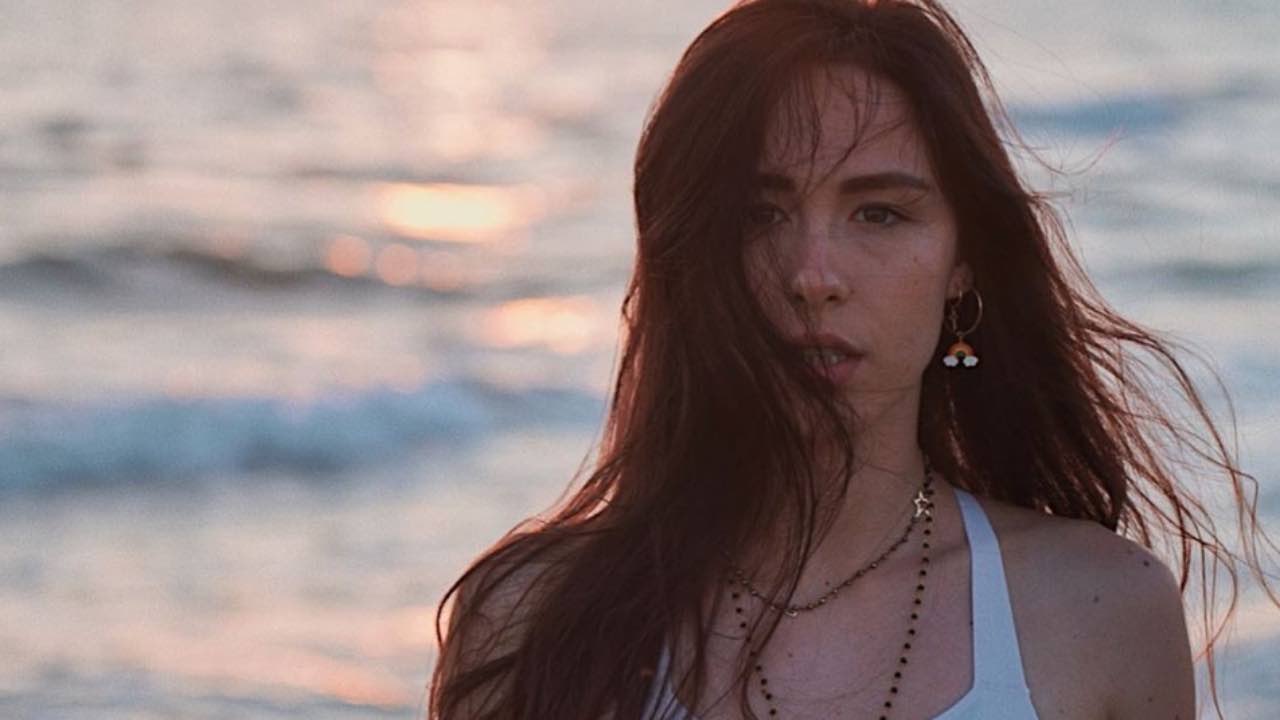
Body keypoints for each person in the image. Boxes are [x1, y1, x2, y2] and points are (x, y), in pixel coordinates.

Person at [427, 1, 1277, 718]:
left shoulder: (1100, 614)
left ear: (963, 261)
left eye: (879, 214)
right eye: (760, 216)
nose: (814, 276)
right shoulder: (531, 619)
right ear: (693, 254)